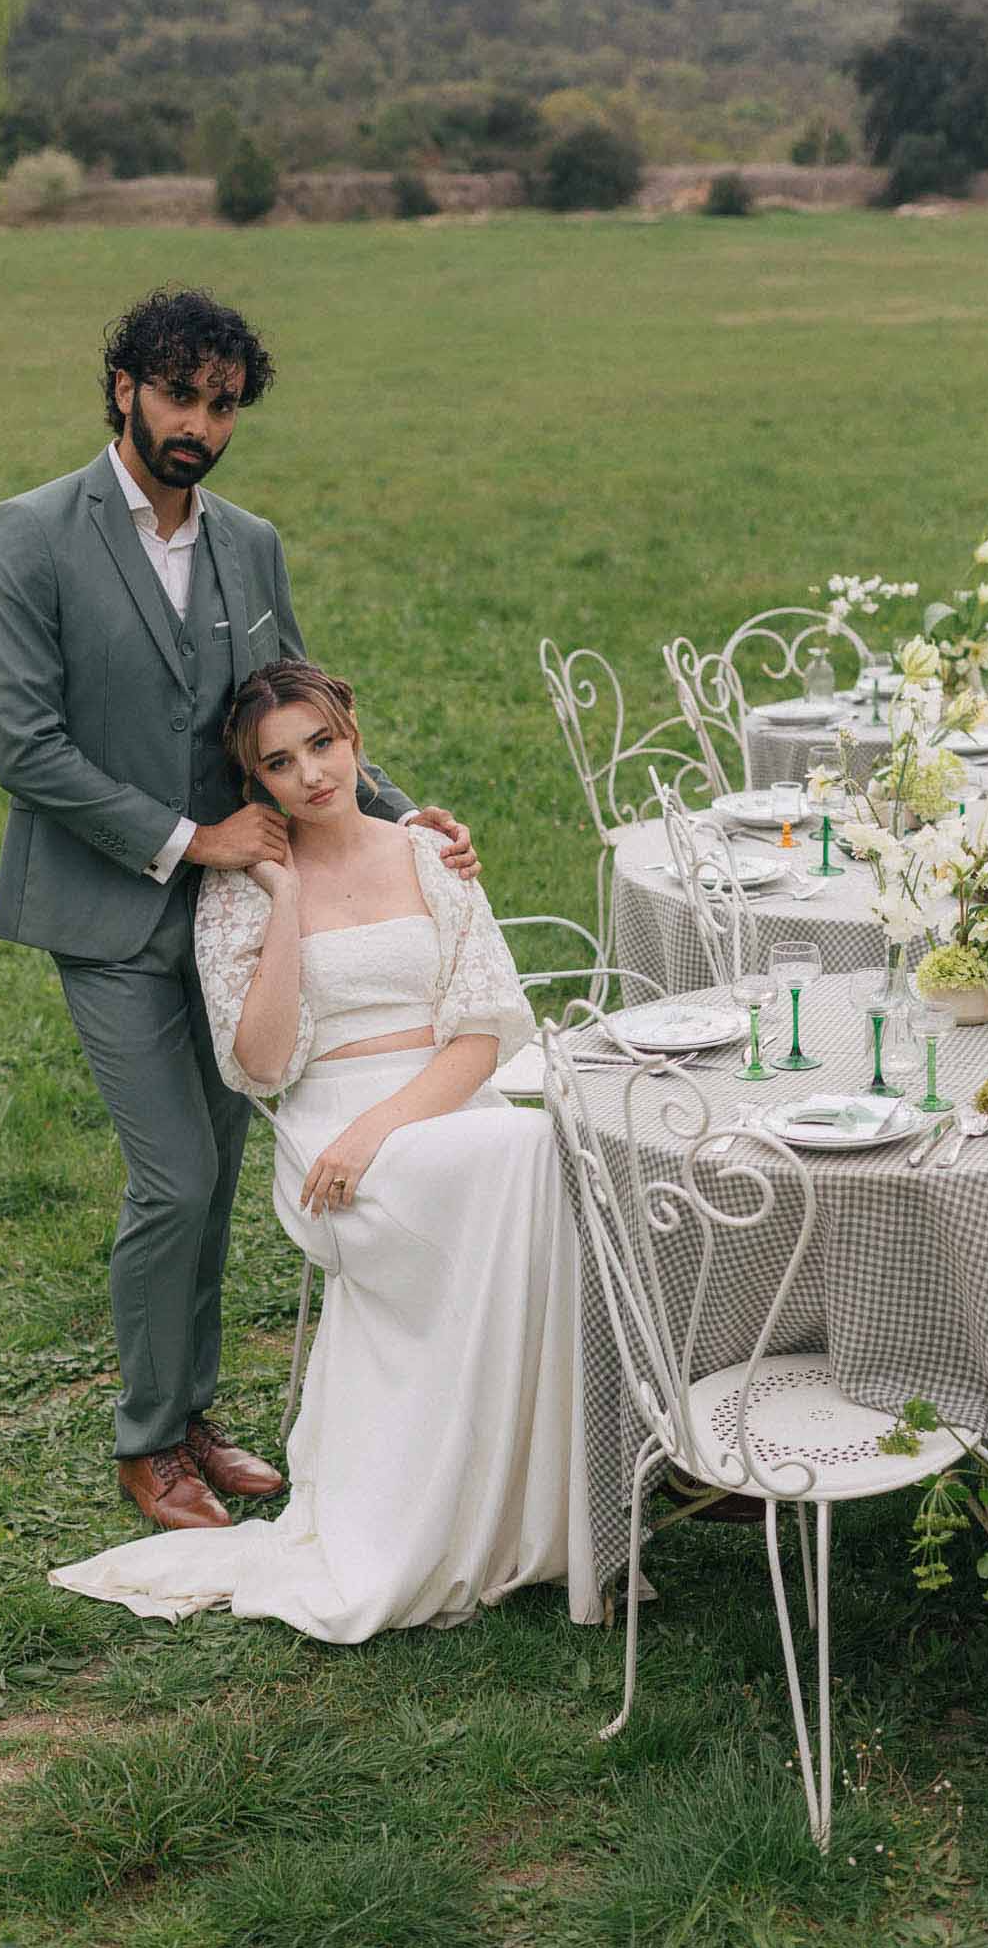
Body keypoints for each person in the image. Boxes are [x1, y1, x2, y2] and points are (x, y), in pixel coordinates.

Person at [0, 287, 478, 1532]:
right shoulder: (30, 533)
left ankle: (191, 1412)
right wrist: (192, 838)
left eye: (222, 403)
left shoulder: (250, 542)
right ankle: (147, 1442)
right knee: (175, 1177)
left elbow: (286, 708)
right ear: (123, 389)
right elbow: (25, 746)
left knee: (214, 1174)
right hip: (106, 909)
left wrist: (401, 815)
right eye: (178, 395)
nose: (198, 423)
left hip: (235, 923)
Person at [50, 661, 599, 1639]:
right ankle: (475, 1490)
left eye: (322, 745)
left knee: (530, 1146)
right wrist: (285, 899)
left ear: (353, 739)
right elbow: (260, 1063)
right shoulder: (239, 891)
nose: (310, 774)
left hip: (435, 1103)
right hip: (326, 1129)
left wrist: (379, 1128)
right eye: (279, 762)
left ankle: (524, 1492)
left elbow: (483, 1031)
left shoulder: (427, 852)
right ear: (255, 780)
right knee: (521, 1151)